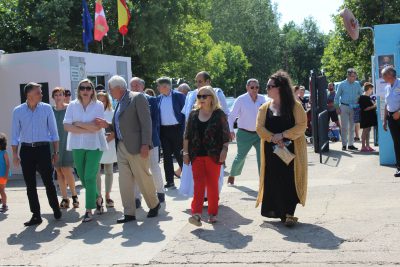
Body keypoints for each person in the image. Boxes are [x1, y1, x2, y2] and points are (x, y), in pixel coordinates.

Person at [96, 75, 161, 223]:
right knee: (124, 182)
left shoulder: (137, 98)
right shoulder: (118, 101)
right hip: (121, 146)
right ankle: (129, 213)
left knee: (143, 177)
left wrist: (145, 144)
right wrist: (107, 125)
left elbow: (146, 123)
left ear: (119, 88)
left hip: (138, 146)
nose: (110, 92)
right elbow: (120, 126)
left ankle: (154, 204)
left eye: (111, 89)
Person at [255, 71, 308, 227]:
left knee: (289, 180)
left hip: (292, 151)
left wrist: (283, 135)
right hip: (271, 152)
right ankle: (280, 211)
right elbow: (259, 128)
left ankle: (289, 213)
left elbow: (302, 125)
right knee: (274, 180)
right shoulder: (264, 108)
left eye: (270, 86)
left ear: (280, 88)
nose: (267, 88)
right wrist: (273, 138)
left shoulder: (295, 106)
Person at [11, 82, 61, 226]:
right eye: (38, 92)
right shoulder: (18, 111)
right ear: (29, 94)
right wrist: (15, 154)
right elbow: (15, 135)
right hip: (26, 150)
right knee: (30, 185)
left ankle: (55, 208)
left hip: (43, 149)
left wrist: (56, 152)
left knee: (48, 181)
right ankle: (36, 215)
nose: (41, 94)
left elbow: (54, 132)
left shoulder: (46, 109)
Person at [184, 86, 230, 226]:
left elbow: (225, 134)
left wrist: (224, 150)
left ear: (211, 98)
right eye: (199, 96)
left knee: (212, 185)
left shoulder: (219, 114)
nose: (202, 99)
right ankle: (196, 214)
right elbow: (187, 136)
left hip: (214, 155)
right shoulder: (193, 114)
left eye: (205, 96)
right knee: (198, 184)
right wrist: (185, 153)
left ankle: (212, 213)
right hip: (196, 154)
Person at [64, 79, 108, 222]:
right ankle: (98, 198)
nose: (85, 91)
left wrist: (79, 124)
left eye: (88, 88)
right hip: (77, 145)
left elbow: (97, 128)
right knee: (82, 177)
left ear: (92, 90)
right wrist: (87, 127)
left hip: (95, 145)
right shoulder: (72, 105)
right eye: (82, 88)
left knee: (89, 177)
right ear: (79, 90)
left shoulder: (99, 105)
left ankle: (89, 210)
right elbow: (66, 126)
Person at [179, 71, 229, 197]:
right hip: (194, 140)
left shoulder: (217, 93)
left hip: (213, 142)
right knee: (193, 173)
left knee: (212, 173)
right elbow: (186, 116)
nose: (197, 84)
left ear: (208, 81)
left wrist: (225, 145)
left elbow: (225, 115)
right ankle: (198, 197)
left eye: (200, 81)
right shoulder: (191, 95)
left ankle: (211, 197)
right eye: (196, 81)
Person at [130, 77, 165, 207]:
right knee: (136, 171)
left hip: (151, 140)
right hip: (134, 141)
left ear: (143, 87)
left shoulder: (151, 100)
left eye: (137, 85)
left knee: (154, 167)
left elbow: (155, 121)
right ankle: (136, 198)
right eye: (132, 85)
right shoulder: (128, 101)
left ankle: (160, 192)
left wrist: (147, 139)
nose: (134, 88)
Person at [227, 79, 266, 185]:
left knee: (262, 157)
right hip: (244, 133)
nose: (254, 89)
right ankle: (232, 174)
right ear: (247, 87)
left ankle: (262, 181)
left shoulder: (263, 99)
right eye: (252, 87)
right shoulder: (241, 99)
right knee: (241, 157)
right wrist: (231, 130)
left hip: (259, 134)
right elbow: (231, 117)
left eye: (257, 87)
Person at [156, 77, 186, 189]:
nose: (157, 88)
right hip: (164, 131)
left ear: (165, 86)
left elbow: (185, 114)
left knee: (180, 155)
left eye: (158, 86)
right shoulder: (158, 98)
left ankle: (190, 179)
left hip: (177, 129)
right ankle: (170, 181)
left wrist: (185, 130)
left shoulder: (179, 96)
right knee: (167, 157)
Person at [52, 87, 79, 209]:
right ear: (53, 97)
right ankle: (64, 198)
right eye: (56, 95)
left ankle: (74, 196)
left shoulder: (69, 108)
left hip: (67, 142)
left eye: (60, 94)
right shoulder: (50, 110)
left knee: (67, 170)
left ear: (64, 96)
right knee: (59, 171)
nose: (58, 97)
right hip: (54, 143)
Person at [96, 91, 117, 208]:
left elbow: (115, 130)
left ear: (107, 101)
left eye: (103, 100)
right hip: (96, 145)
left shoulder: (112, 113)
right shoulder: (93, 112)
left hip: (109, 143)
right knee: (96, 172)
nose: (101, 103)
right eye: (98, 100)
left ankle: (108, 196)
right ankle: (98, 196)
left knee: (109, 170)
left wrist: (106, 140)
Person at [334, 68, 363, 151]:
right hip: (344, 107)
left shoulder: (357, 84)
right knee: (344, 127)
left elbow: (361, 95)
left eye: (355, 76)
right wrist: (337, 107)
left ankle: (350, 144)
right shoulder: (342, 84)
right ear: (348, 76)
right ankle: (344, 144)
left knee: (352, 127)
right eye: (353, 76)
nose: (354, 78)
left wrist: (361, 104)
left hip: (354, 107)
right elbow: (336, 97)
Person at [382, 66, 400, 177]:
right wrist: (384, 120)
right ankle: (399, 166)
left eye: (383, 74)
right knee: (397, 142)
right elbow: (386, 104)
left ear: (389, 74)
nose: (382, 77)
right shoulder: (387, 87)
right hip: (391, 118)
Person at [359, 82, 377, 152]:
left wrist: (373, 105)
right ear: (369, 89)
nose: (372, 90)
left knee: (368, 131)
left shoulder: (367, 97)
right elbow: (365, 108)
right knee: (365, 131)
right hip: (365, 117)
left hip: (368, 117)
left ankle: (368, 146)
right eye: (371, 89)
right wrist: (374, 106)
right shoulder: (363, 97)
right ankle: (363, 146)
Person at [0, 133, 10, 212]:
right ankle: (2, 200)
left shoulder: (4, 153)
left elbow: (7, 165)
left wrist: (6, 175)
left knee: (2, 190)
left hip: (2, 175)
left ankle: (4, 205)